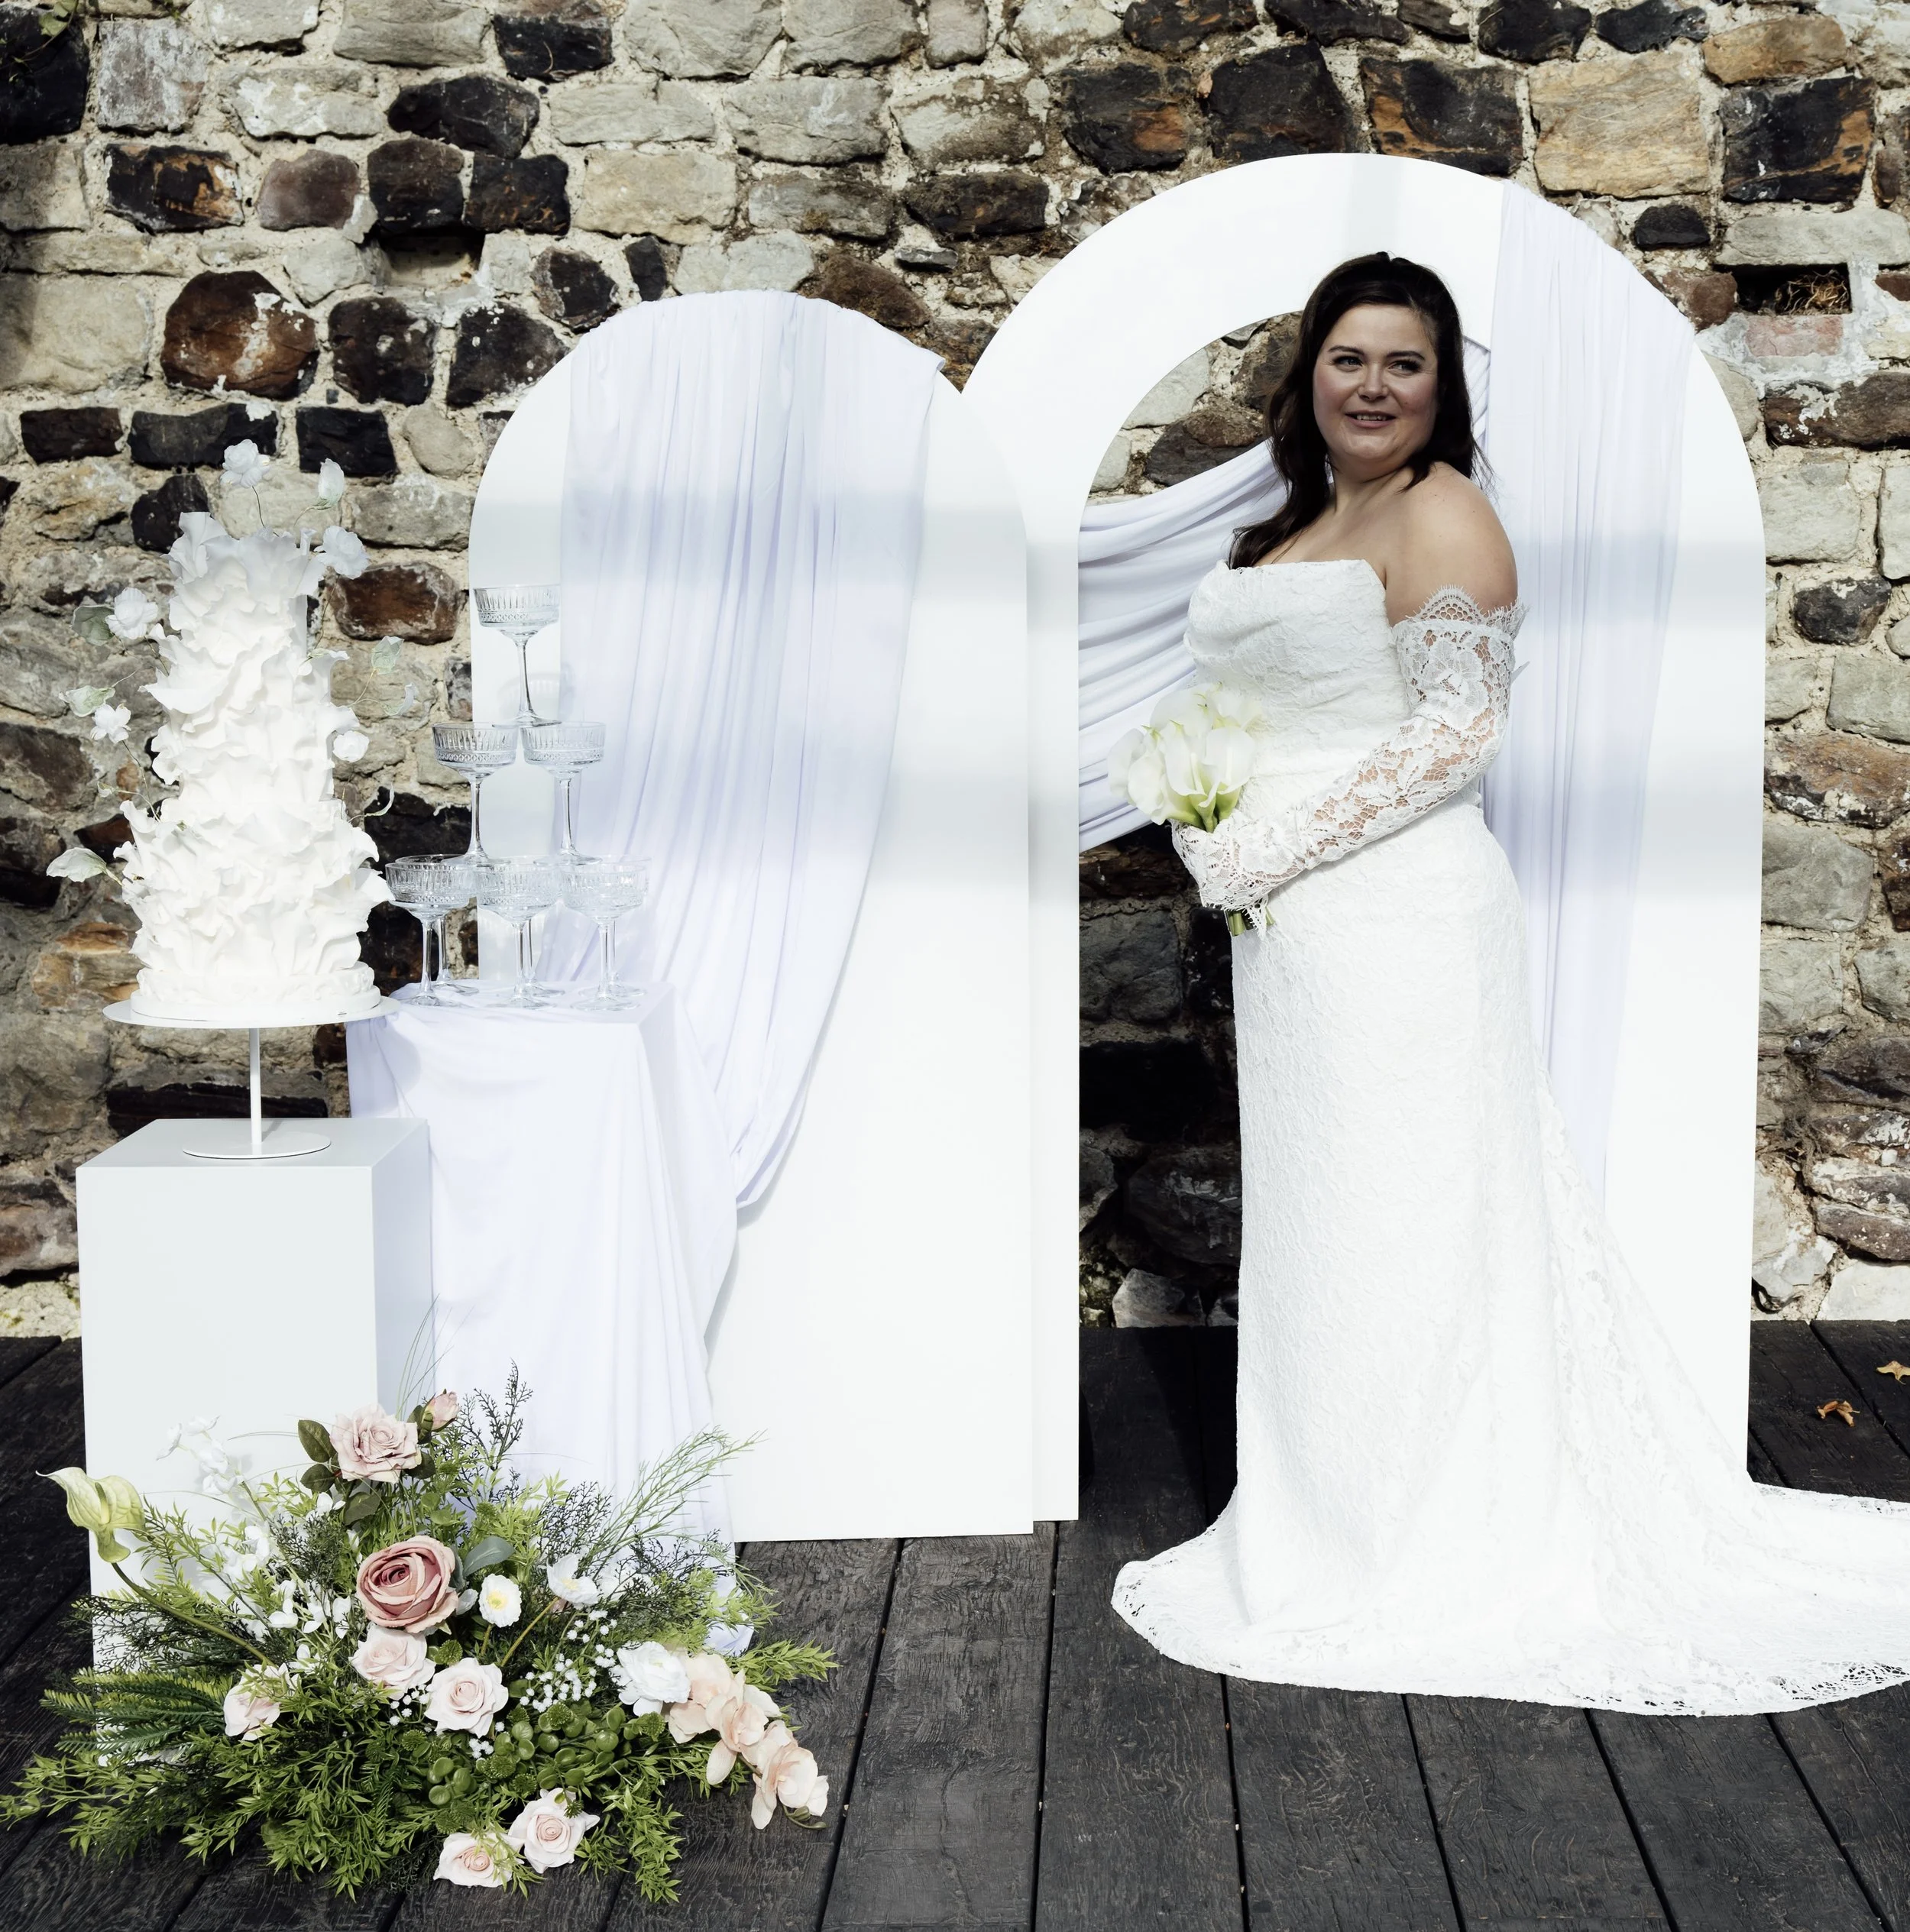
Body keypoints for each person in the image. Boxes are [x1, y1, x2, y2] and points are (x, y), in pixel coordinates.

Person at [1112, 252, 1910, 1714]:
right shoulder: (1301, 520)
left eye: (1403, 363)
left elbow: (1454, 735)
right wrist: (1209, 812)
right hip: (1295, 935)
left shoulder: (1444, 513)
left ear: (1441, 388)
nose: (1372, 387)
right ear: (1309, 373)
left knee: (1412, 1219)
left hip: (1400, 918)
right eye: (1349, 358)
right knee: (1334, 1222)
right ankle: (1333, 1519)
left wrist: (1268, 844)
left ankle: (1428, 1539)